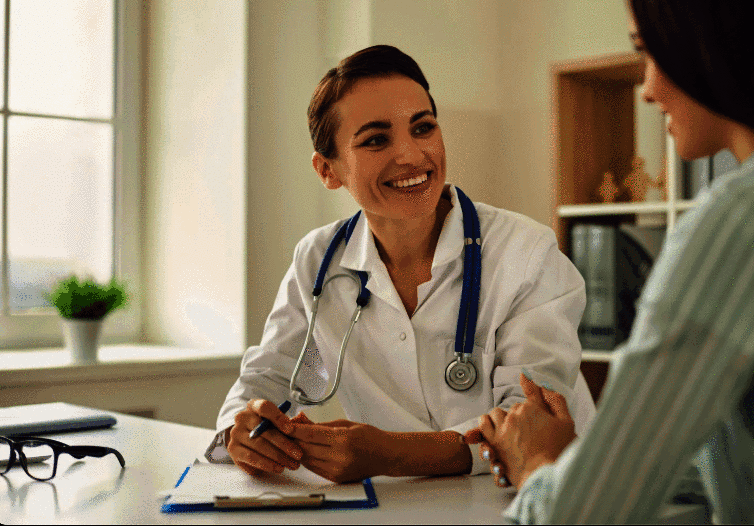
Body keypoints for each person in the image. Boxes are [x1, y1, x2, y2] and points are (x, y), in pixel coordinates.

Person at [467, 0, 754, 523]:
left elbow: (582, 515)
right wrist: (591, 459)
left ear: (713, 42)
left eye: (651, 51)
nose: (647, 89)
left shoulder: (746, 222)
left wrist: (541, 465)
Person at [205, 45, 596, 483]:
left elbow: (530, 425)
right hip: (405, 507)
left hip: (544, 498)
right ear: (327, 170)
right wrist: (243, 430)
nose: (411, 155)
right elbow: (269, 379)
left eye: (423, 128)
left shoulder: (525, 252)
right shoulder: (318, 260)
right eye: (376, 139)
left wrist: (392, 454)